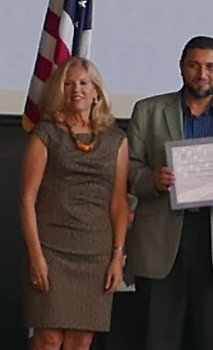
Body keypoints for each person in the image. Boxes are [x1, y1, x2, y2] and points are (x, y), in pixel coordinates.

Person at [125, 35, 213, 350]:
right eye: (194, 65)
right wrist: (152, 180)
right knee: (155, 340)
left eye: (210, 66)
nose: (202, 73)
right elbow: (129, 169)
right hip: (161, 243)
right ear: (182, 67)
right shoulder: (148, 111)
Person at [20, 57, 129, 350]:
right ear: (59, 91)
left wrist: (117, 256)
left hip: (96, 251)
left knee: (82, 340)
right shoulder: (46, 134)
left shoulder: (116, 139)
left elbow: (119, 202)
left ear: (96, 91)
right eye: (68, 84)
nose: (76, 90)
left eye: (83, 83)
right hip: (51, 248)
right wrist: (36, 256)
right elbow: (27, 199)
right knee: (49, 339)